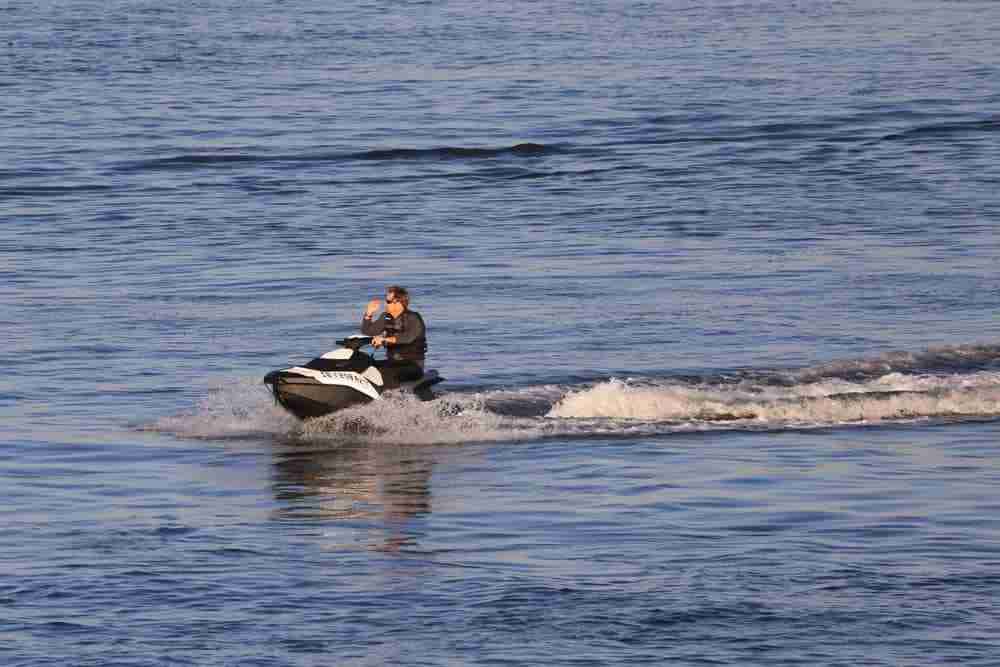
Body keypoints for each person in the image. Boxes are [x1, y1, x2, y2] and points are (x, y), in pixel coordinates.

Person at [360, 286, 427, 384]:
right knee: (366, 367)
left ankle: (391, 397)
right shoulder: (386, 317)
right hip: (393, 361)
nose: (385, 304)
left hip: (413, 364)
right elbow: (369, 331)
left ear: (397, 302)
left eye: (387, 301)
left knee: (386, 373)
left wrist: (384, 340)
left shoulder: (414, 318)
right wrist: (368, 314)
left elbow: (408, 338)